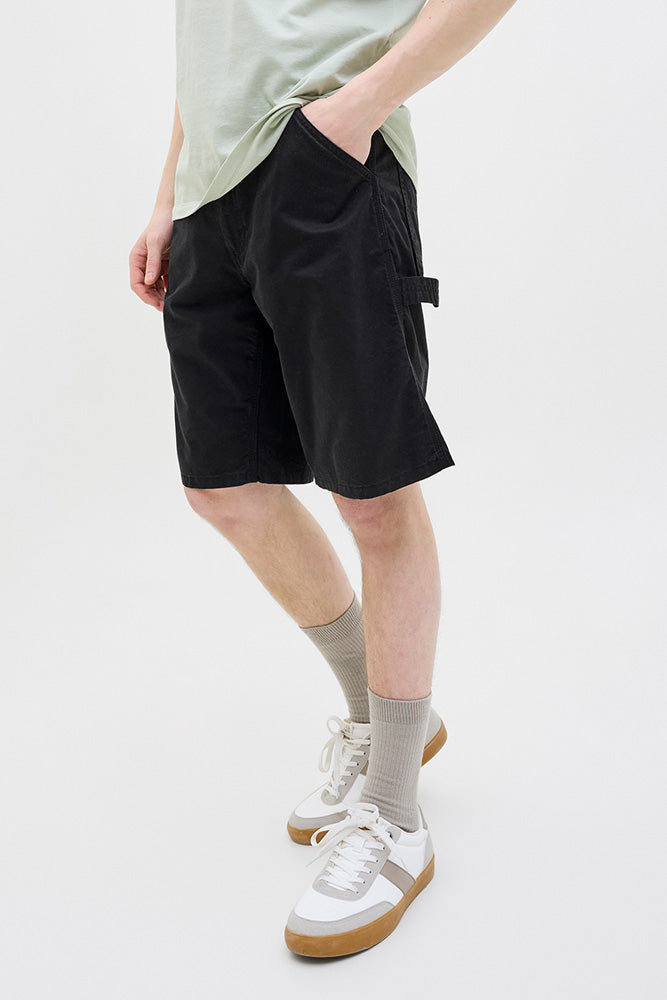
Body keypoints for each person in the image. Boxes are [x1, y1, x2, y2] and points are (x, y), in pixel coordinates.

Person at [130, 0, 516, 958]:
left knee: (371, 493)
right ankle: (381, 718)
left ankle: (394, 815)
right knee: (223, 487)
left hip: (326, 169)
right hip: (209, 193)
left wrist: (355, 109)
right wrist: (169, 195)